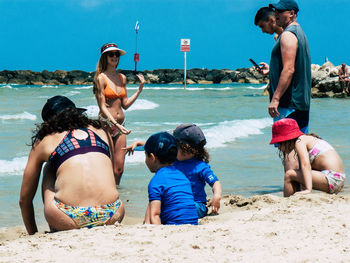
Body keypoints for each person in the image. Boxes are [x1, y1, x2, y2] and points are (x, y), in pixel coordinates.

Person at [19, 96, 125, 235]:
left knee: (49, 167)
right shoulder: (101, 131)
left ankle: (54, 228)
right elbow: (111, 172)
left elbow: (24, 199)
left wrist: (33, 234)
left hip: (67, 218)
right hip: (113, 212)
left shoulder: (44, 141)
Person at [259, 0, 311, 172]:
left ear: (291, 13)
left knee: (287, 148)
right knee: (298, 147)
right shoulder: (297, 33)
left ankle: (292, 185)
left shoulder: (288, 35)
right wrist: (271, 70)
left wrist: (275, 99)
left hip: (289, 102)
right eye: (276, 11)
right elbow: (288, 66)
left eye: (280, 12)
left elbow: (289, 70)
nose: (276, 15)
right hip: (299, 101)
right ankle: (301, 185)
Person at [93, 43, 145, 185]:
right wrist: (114, 123)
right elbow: (102, 107)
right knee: (108, 166)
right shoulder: (101, 78)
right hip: (106, 125)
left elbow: (125, 104)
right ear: (105, 57)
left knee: (119, 169)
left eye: (117, 54)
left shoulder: (122, 77)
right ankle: (107, 195)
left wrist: (139, 90)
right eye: (111, 54)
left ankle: (116, 194)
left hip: (120, 125)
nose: (115, 57)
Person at [128, 132, 198, 225]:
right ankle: (146, 224)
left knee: (153, 202)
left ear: (152, 158)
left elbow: (155, 215)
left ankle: (146, 224)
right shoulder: (182, 176)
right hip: (193, 224)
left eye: (145, 155)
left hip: (173, 226)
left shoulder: (157, 181)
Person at [270, 118, 345, 197]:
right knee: (297, 174)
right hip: (337, 179)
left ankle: (286, 202)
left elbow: (305, 165)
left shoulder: (299, 142)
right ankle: (294, 198)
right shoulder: (306, 139)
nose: (278, 148)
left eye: (278, 143)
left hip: (331, 178)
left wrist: (308, 189)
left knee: (289, 174)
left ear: (285, 140)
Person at [172, 124, 222, 218]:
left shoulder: (200, 167)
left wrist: (217, 196)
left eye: (175, 147)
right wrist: (142, 144)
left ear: (185, 148)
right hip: (176, 203)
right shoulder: (174, 160)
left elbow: (215, 182)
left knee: (182, 208)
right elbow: (158, 149)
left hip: (196, 205)